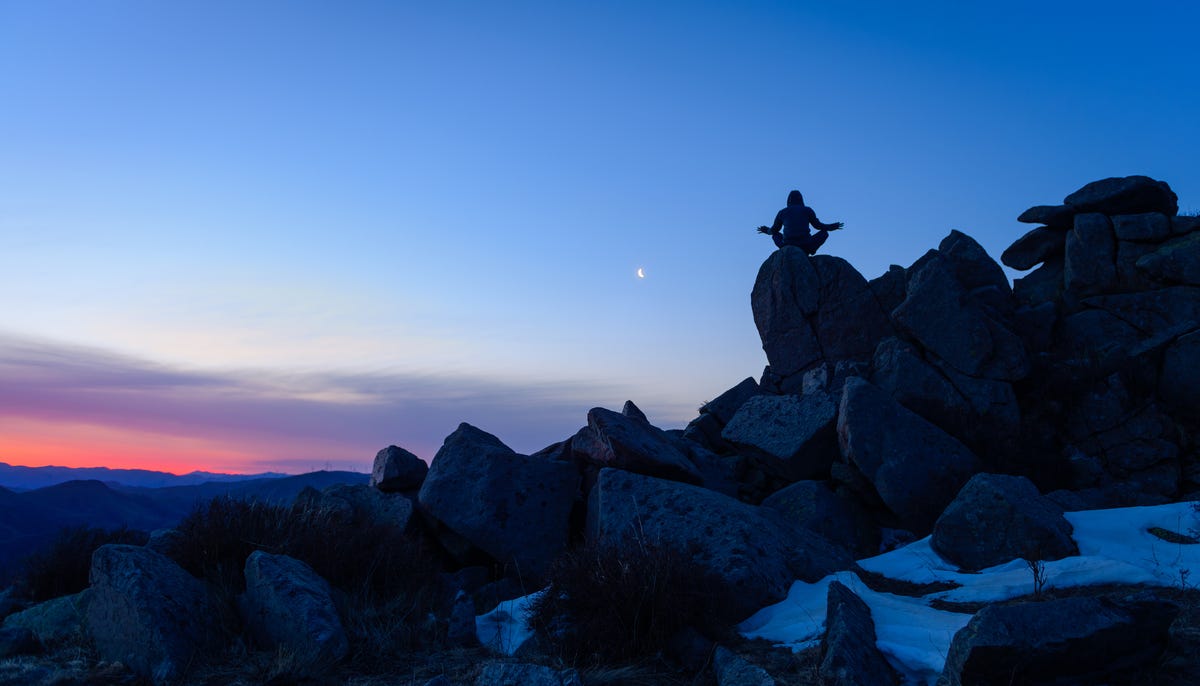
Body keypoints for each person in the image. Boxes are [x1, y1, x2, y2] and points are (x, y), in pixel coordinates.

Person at [757, 190, 844, 255]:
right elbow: (818, 226)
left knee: (775, 235)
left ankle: (785, 249)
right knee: (824, 233)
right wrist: (831, 227)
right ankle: (811, 249)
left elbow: (774, 230)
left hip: (788, 243)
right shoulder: (807, 210)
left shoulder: (782, 212)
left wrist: (766, 230)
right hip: (805, 244)